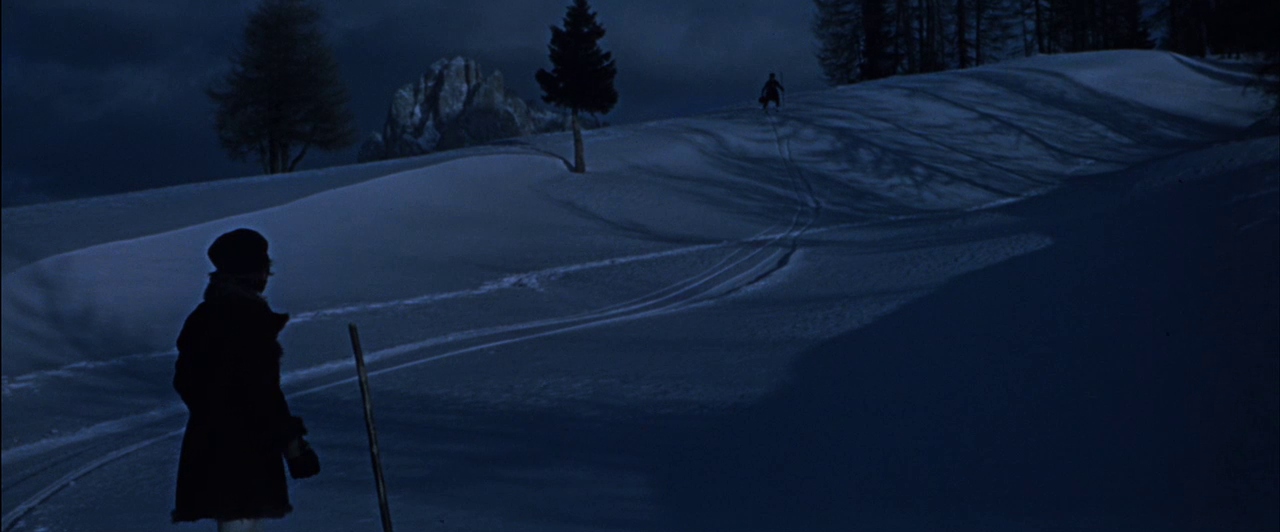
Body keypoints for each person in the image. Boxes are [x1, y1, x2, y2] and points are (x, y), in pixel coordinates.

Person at [171, 228, 320, 532]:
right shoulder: (247, 320)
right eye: (265, 270)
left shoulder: (204, 316)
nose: (267, 277)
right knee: (240, 521)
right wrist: (293, 446)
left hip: (213, 441)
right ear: (254, 274)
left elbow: (186, 381)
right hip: (244, 448)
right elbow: (263, 392)